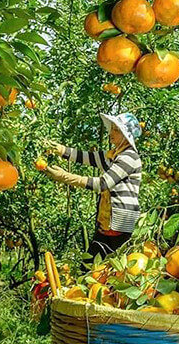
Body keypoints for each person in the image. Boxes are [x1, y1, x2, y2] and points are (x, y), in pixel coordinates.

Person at [42, 112, 143, 263]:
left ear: (125, 136)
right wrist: (60, 149)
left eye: (116, 130)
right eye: (112, 128)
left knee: (101, 266)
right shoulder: (113, 155)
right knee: (93, 266)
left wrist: (65, 177)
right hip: (107, 222)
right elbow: (85, 157)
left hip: (120, 224)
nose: (111, 133)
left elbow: (103, 184)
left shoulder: (129, 157)